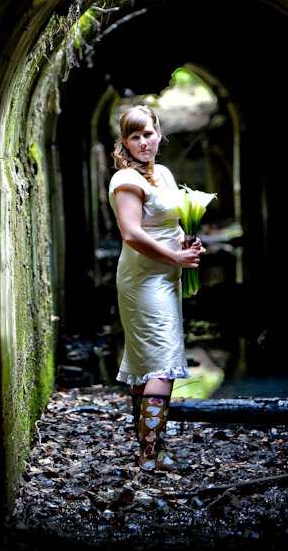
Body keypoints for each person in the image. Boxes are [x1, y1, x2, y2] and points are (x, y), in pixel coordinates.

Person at [108, 105, 204, 471]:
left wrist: (186, 247)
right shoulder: (125, 180)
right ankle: (151, 453)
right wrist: (173, 258)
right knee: (162, 364)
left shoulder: (161, 173)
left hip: (166, 274)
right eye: (134, 137)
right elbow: (132, 234)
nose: (143, 142)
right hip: (142, 279)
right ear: (126, 143)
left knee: (145, 361)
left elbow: (168, 223)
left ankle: (148, 447)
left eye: (147, 133)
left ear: (158, 134)